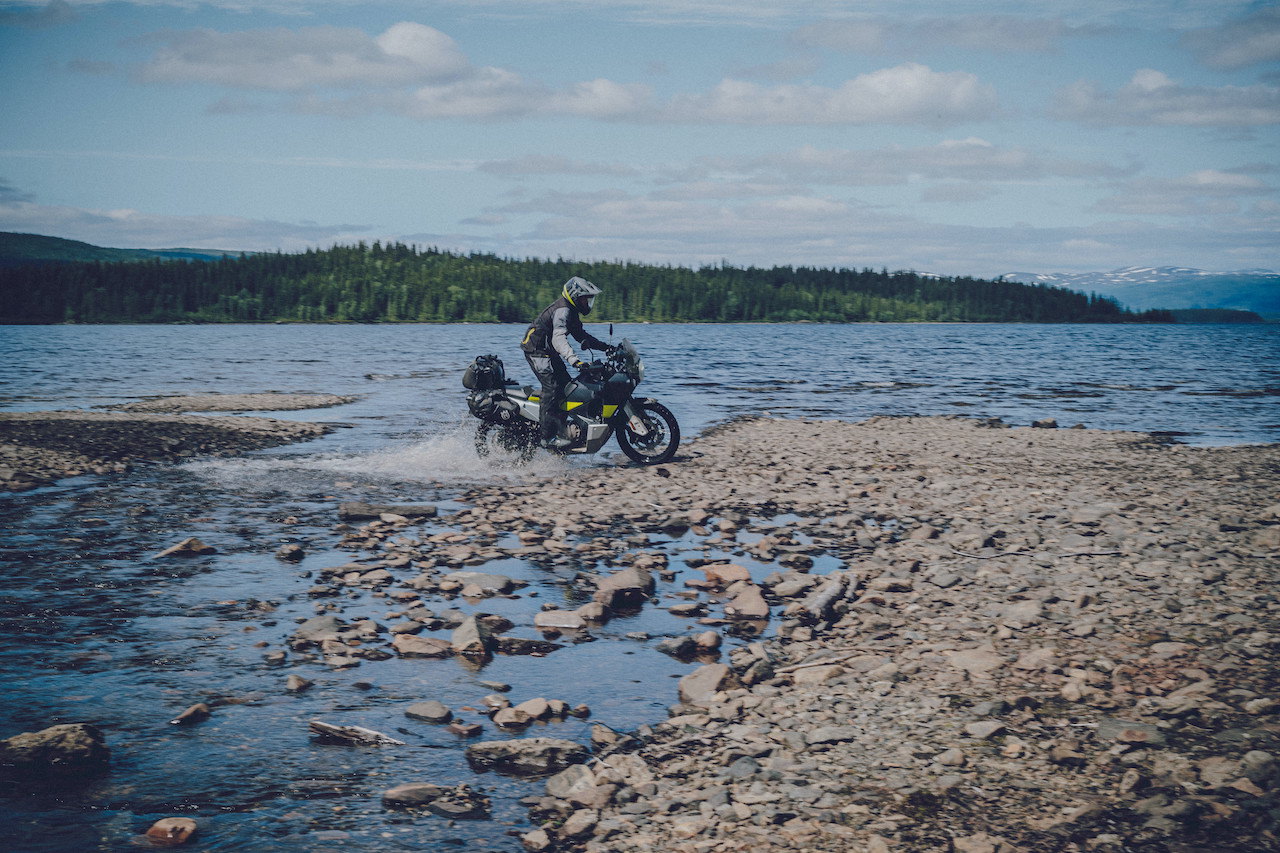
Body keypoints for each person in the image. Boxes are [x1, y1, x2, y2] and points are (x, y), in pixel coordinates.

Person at [520, 276, 610, 448]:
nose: (588, 303)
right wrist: (574, 360)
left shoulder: (572, 311)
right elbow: (558, 338)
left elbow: (581, 336)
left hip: (548, 352)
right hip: (536, 350)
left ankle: (561, 430)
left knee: (568, 387)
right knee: (552, 388)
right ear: (575, 296)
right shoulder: (563, 311)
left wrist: (606, 347)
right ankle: (547, 437)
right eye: (585, 299)